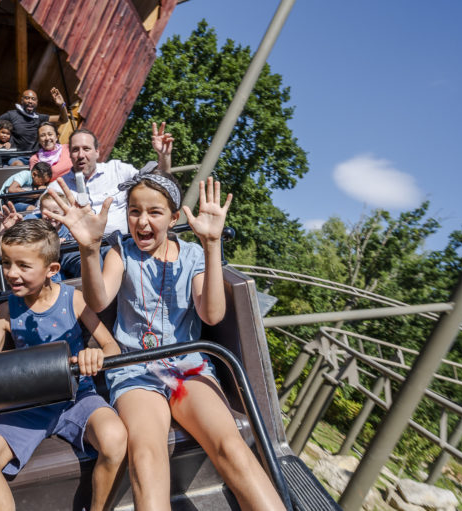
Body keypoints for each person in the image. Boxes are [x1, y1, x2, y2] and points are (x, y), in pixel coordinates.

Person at [44, 174, 286, 510]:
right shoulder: (121, 250)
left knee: (230, 447)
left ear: (173, 219)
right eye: (134, 211)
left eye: (154, 213)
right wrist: (89, 248)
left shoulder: (192, 256)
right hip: (134, 369)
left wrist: (212, 245)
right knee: (145, 455)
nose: (142, 221)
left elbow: (212, 314)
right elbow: (98, 301)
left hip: (186, 367)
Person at [0, 219, 127, 511]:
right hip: (28, 405)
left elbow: (110, 346)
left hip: (78, 398)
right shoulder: (5, 313)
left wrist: (94, 355)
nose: (11, 273)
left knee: (115, 438)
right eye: (6, 263)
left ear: (52, 270)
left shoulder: (74, 301)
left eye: (23, 266)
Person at [49, 122, 173, 236]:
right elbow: (38, 216)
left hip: (118, 245)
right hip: (76, 248)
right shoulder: (58, 186)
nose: (81, 155)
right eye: (75, 150)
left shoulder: (117, 170)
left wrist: (164, 156)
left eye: (86, 149)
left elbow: (159, 184)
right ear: (70, 154)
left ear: (97, 152)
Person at [0, 88, 69, 166]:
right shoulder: (12, 115)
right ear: (22, 100)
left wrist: (61, 105)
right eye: (27, 98)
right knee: (19, 166)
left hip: (36, 156)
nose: (30, 101)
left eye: (33, 99)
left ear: (37, 102)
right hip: (17, 157)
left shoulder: (39, 118)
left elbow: (63, 120)